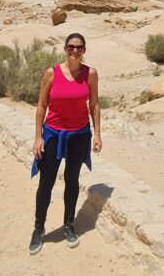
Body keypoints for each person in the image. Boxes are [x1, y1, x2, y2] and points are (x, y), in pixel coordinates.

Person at [29, 33, 102, 255]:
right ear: (65, 48)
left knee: (72, 181)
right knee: (46, 182)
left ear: (85, 50)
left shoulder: (91, 74)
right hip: (52, 135)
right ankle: (38, 228)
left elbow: (95, 105)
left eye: (79, 47)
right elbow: (42, 105)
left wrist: (97, 133)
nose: (75, 51)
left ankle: (68, 224)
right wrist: (38, 136)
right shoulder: (52, 72)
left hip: (79, 135)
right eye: (71, 47)